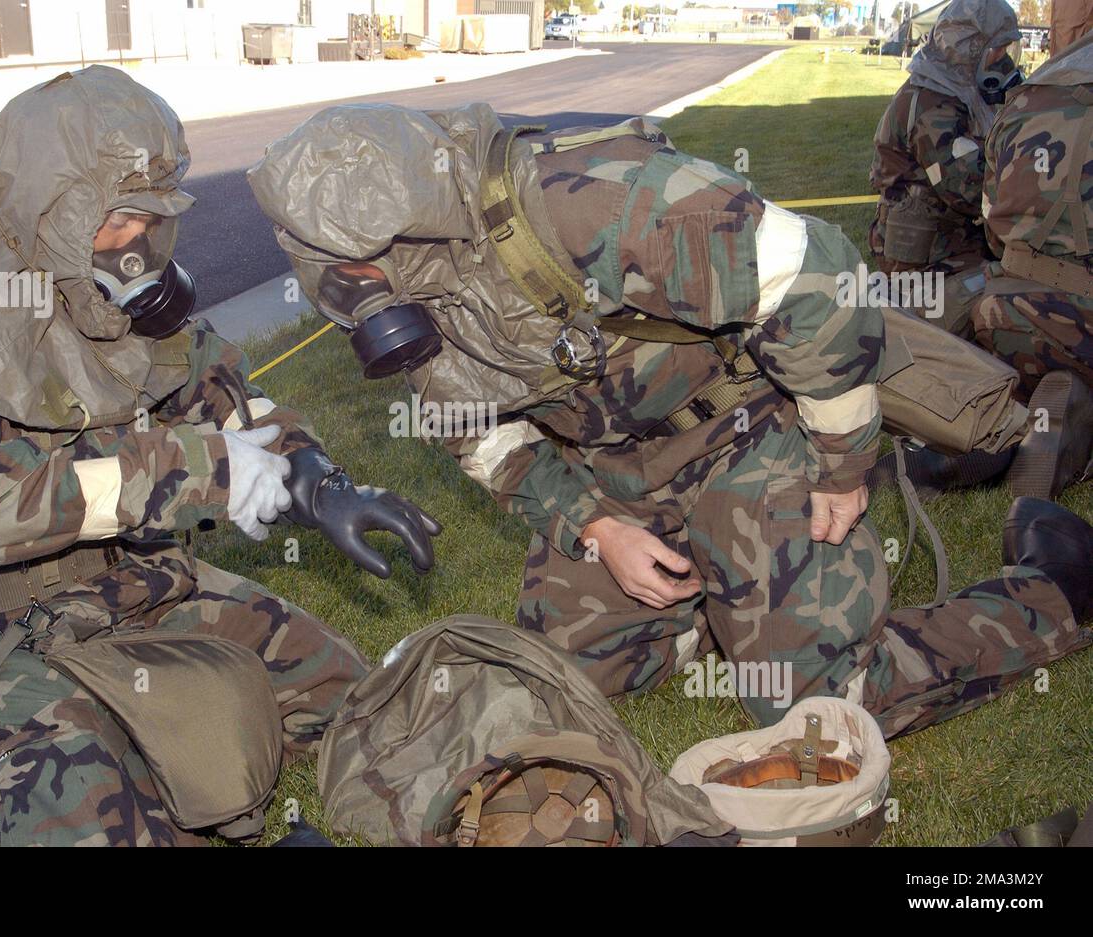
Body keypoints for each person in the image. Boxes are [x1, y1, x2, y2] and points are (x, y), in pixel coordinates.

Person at [248, 100, 1093, 740]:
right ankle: (726, 606)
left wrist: (843, 461)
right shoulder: (374, 284)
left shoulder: (582, 202)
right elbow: (483, 434)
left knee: (813, 708)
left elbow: (817, 275)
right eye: (334, 267)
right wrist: (597, 528)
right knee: (564, 682)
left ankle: (1049, 590)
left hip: (750, 433)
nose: (354, 286)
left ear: (416, 212)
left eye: (365, 263)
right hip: (614, 469)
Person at [0, 66, 439, 846]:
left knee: (360, 705)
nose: (139, 241)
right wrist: (204, 471)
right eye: (119, 219)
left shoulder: (108, 265)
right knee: (91, 809)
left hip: (137, 583)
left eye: (152, 218)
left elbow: (219, 396)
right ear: (58, 208)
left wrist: (316, 481)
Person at [962, 33, 1093, 498]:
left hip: (1003, 314)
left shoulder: (1029, 94)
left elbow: (991, 221)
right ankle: (1073, 425)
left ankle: (1004, 419)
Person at [869, 0, 1023, 276]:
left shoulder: (960, 90)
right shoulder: (932, 105)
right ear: (968, 48)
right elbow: (971, 190)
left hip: (954, 239)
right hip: (924, 257)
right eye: (998, 51)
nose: (1005, 61)